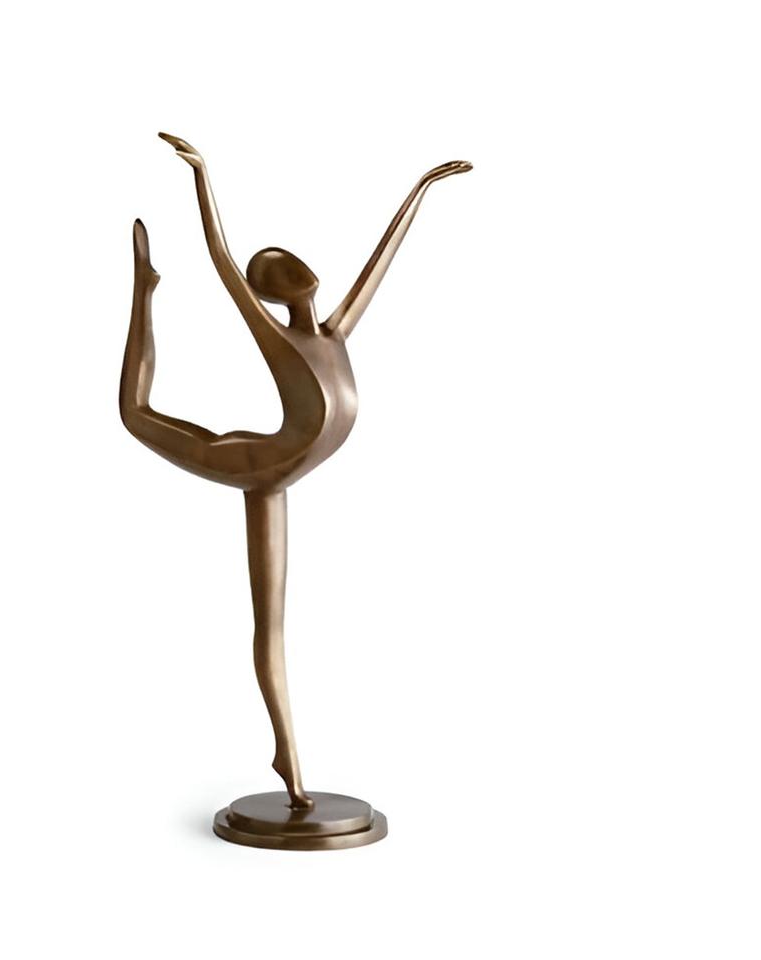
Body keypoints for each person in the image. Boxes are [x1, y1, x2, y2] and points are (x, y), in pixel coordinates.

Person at [121, 133, 471, 807]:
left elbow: (382, 260)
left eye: (290, 263)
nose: (297, 270)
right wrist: (202, 177)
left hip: (275, 476)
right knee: (135, 414)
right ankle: (145, 290)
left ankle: (289, 756)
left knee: (273, 624)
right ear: (277, 291)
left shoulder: (333, 333)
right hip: (252, 462)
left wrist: (423, 187)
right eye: (280, 269)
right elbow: (222, 261)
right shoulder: (278, 335)